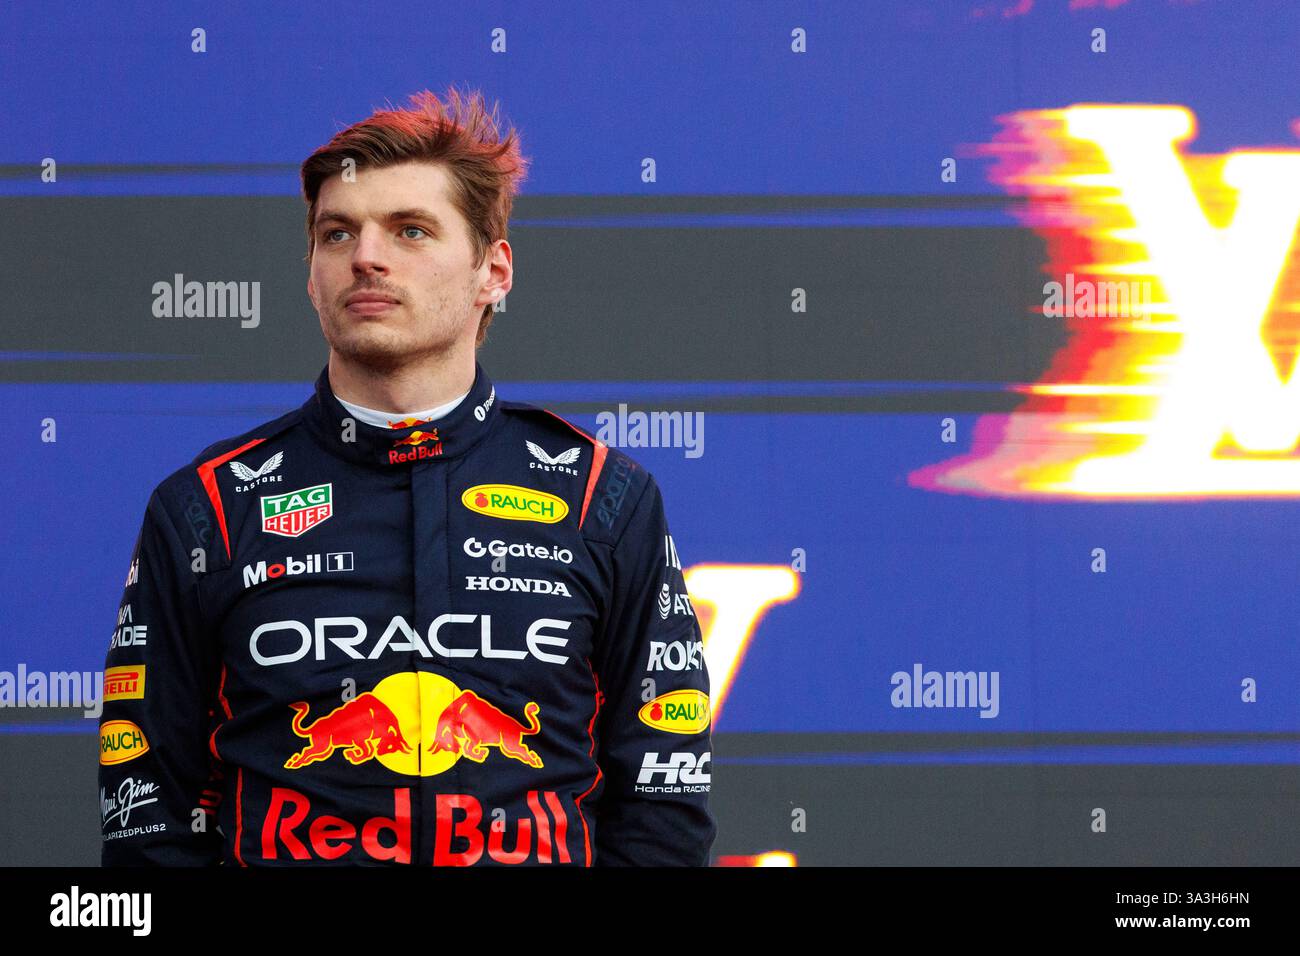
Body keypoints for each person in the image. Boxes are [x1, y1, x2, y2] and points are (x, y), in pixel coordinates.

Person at [98, 87, 715, 866]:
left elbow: (661, 805)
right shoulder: (208, 508)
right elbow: (148, 812)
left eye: (411, 230)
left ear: (494, 271)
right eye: (336, 234)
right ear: (311, 273)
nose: (365, 256)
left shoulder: (603, 498)